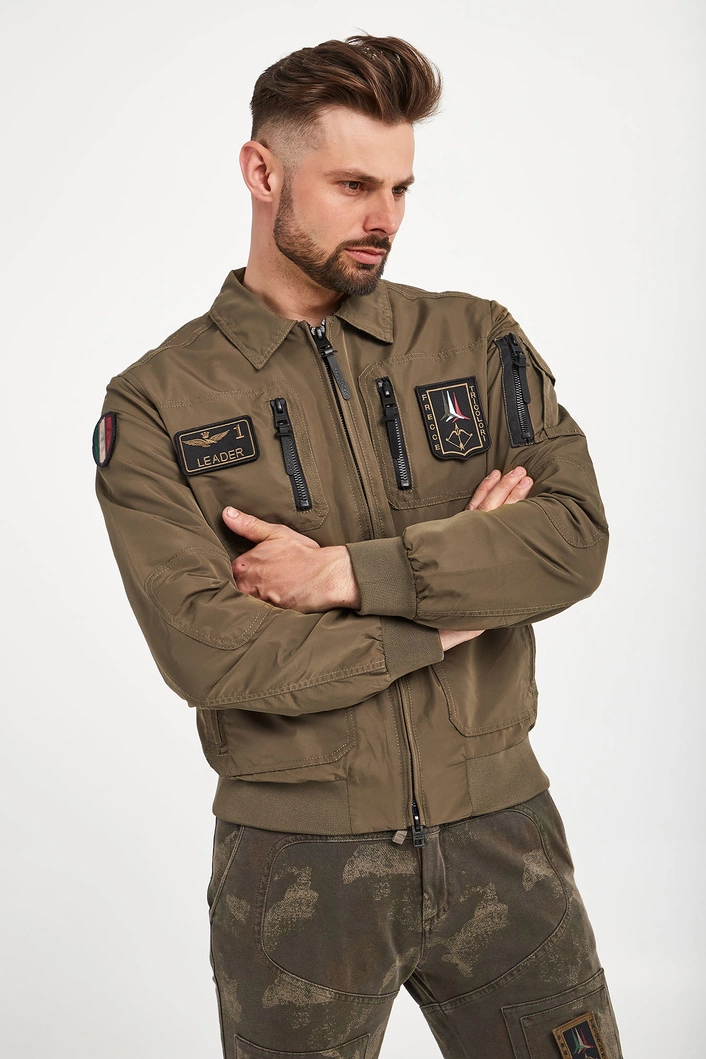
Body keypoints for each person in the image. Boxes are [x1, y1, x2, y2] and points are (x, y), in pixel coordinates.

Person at [94, 34, 622, 1059]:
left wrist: (344, 574)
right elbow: (211, 652)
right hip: (295, 869)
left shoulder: (475, 340)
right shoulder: (157, 404)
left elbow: (571, 541)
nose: (386, 218)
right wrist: (447, 619)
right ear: (262, 173)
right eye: (352, 185)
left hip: (504, 836)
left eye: (399, 187)